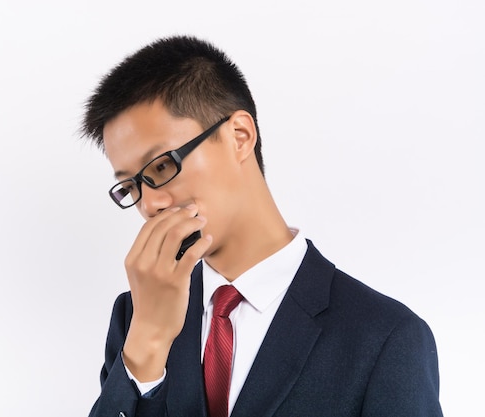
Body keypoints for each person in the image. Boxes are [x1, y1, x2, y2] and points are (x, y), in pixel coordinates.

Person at [79, 35, 443, 417]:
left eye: (163, 166)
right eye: (131, 186)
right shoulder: (135, 317)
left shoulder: (384, 337)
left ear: (239, 136)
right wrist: (147, 344)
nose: (150, 204)